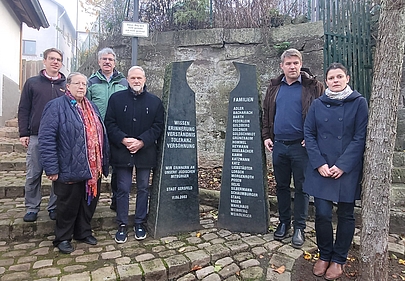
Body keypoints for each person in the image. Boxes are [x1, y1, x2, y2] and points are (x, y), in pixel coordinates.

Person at [304, 63, 368, 280]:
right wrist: (319, 163)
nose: (336, 80)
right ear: (327, 81)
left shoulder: (359, 103)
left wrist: (343, 165)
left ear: (347, 78)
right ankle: (324, 254)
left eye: (339, 76)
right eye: (331, 78)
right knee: (322, 213)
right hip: (321, 167)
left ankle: (339, 259)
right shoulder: (318, 104)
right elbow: (309, 134)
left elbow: (360, 136)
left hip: (346, 169)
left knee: (346, 215)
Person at [38, 72, 109, 254]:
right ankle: (62, 237)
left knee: (88, 203)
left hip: (93, 168)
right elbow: (46, 139)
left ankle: (83, 232)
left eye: (84, 84)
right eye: (77, 83)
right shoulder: (55, 107)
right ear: (67, 86)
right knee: (68, 205)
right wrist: (51, 168)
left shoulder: (91, 107)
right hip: (68, 166)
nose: (81, 87)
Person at [261, 48, 324, 248]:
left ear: (301, 64)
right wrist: (266, 137)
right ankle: (284, 223)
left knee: (302, 188)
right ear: (282, 66)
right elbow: (266, 114)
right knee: (281, 187)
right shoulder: (274, 87)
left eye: (296, 63)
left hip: (301, 147)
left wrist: (313, 137)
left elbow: (323, 115)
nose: (292, 67)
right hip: (278, 145)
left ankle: (299, 228)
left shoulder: (312, 87)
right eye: (288, 63)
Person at [105, 66, 164, 243]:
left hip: (145, 152)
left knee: (143, 188)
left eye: (139, 78)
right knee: (123, 188)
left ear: (145, 79)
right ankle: (122, 224)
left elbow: (158, 126)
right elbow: (109, 123)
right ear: (127, 80)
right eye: (133, 78)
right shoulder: (116, 99)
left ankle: (140, 222)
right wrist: (123, 140)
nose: (136, 81)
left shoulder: (155, 101)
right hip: (122, 151)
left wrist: (142, 141)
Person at [18, 48, 66, 222]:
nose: (55, 62)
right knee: (33, 174)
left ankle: (54, 206)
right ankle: (32, 207)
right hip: (37, 136)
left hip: (61, 137)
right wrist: (24, 132)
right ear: (44, 61)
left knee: (59, 175)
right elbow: (24, 109)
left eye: (58, 59)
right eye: (52, 59)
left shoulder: (66, 85)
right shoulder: (32, 83)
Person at [87, 47, 128, 212]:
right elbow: (86, 106)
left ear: (114, 62)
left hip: (118, 132)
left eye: (110, 59)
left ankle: (116, 200)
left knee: (119, 168)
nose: (107, 62)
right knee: (95, 167)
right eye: (104, 59)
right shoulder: (91, 82)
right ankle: (91, 202)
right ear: (99, 61)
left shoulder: (123, 82)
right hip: (97, 133)